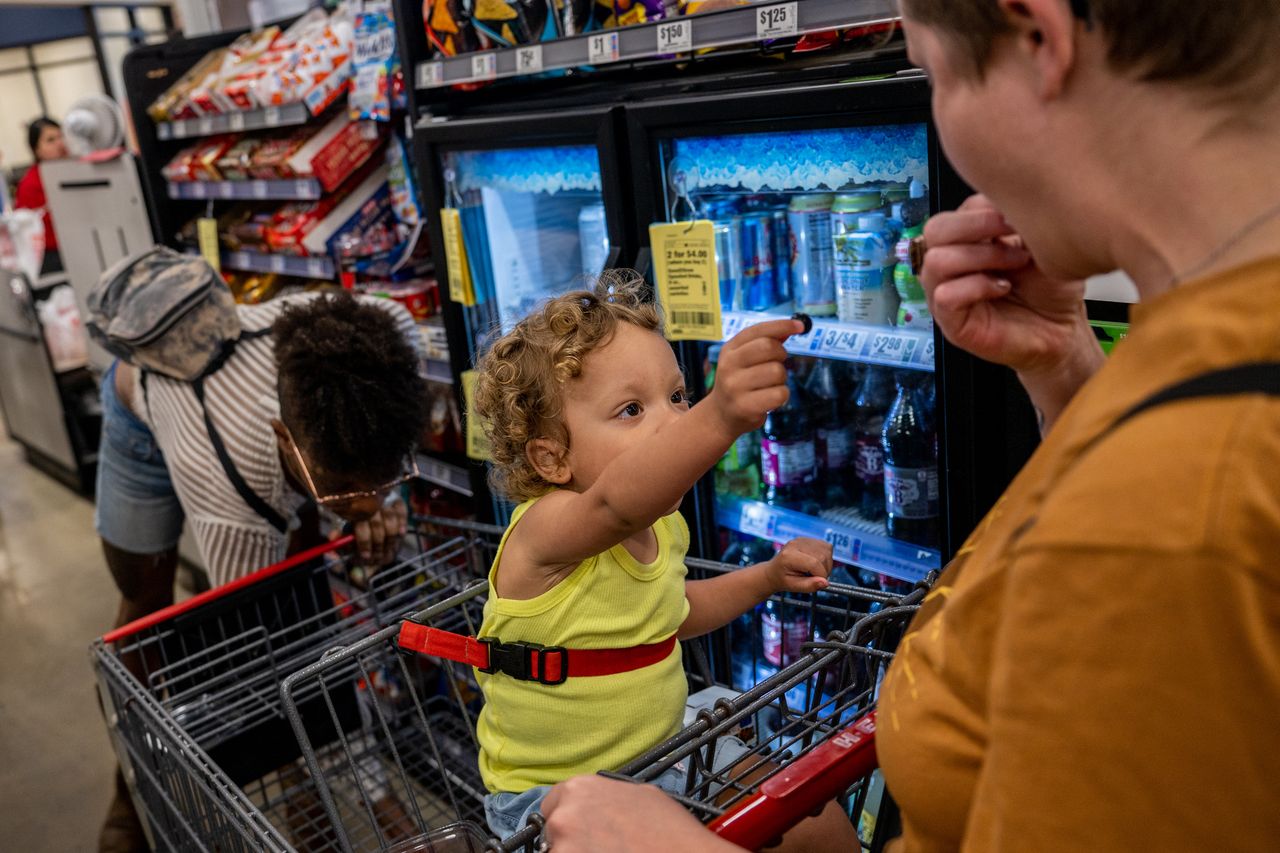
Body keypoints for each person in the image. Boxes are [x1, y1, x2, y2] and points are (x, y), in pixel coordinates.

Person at [537, 0, 1280, 850]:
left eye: (932, 76)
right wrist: (1065, 372)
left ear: (1039, 37)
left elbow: (1169, 522)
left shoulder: (1165, 532)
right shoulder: (1213, 360)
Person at [467, 273, 854, 850]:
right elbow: (616, 502)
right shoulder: (543, 534)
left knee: (815, 821)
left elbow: (671, 610)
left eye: (677, 397)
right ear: (551, 459)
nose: (674, 420)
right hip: (552, 798)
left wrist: (768, 576)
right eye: (630, 409)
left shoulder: (661, 524)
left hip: (669, 751)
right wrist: (719, 416)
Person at [97, 289, 430, 852]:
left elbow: (367, 466)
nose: (369, 507)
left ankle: (306, 809)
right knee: (146, 610)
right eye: (346, 492)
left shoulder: (391, 339)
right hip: (145, 413)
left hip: (268, 435)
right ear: (285, 440)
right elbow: (270, 670)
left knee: (298, 589)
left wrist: (378, 501)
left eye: (383, 479)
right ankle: (131, 786)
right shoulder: (234, 506)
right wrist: (389, 812)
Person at [13, 117, 67, 275]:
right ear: (36, 149)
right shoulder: (31, 184)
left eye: (61, 136)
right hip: (53, 257)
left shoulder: (74, 171)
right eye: (50, 140)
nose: (60, 143)